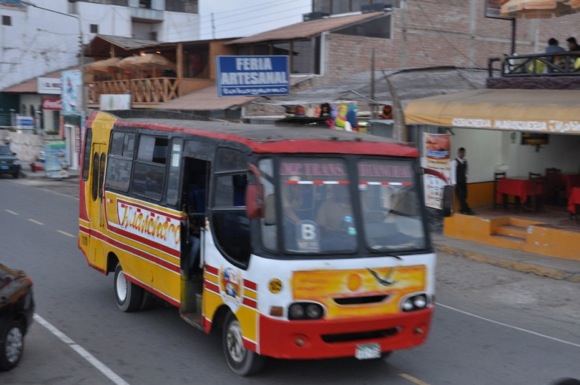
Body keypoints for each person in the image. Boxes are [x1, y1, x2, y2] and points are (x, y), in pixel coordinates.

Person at [450, 147, 474, 215]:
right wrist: (454, 183)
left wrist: (466, 177)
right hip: (457, 183)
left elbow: (466, 171)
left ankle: (462, 209)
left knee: (465, 196)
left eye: (463, 153)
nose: (462, 154)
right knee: (461, 196)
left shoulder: (465, 161)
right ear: (458, 153)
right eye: (461, 152)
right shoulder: (454, 162)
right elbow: (453, 172)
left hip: (464, 182)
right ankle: (467, 210)